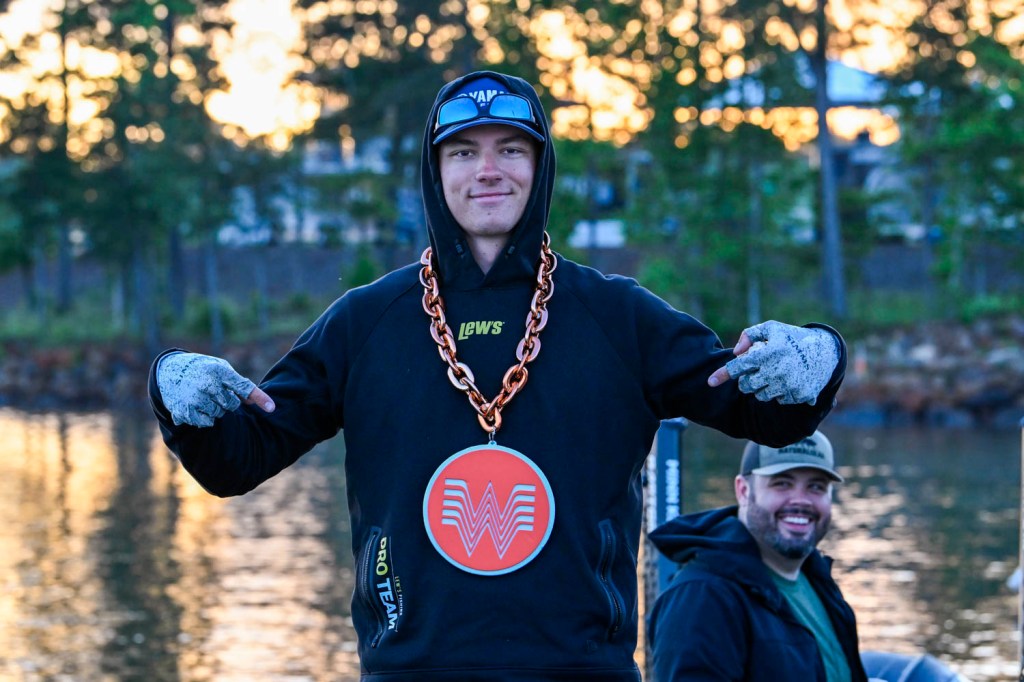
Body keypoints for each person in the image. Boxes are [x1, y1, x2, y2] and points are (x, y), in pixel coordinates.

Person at [150, 70, 848, 681]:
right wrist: (175, 392)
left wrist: (817, 357)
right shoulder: (366, 323)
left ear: (540, 167)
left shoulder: (617, 317)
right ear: (436, 171)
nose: (488, 170)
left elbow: (762, 412)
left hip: (582, 670)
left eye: (511, 149)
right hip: (409, 669)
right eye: (464, 152)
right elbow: (238, 460)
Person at [647, 430, 868, 682]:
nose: (801, 501)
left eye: (816, 487)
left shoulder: (818, 581)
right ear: (743, 491)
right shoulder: (702, 596)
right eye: (782, 483)